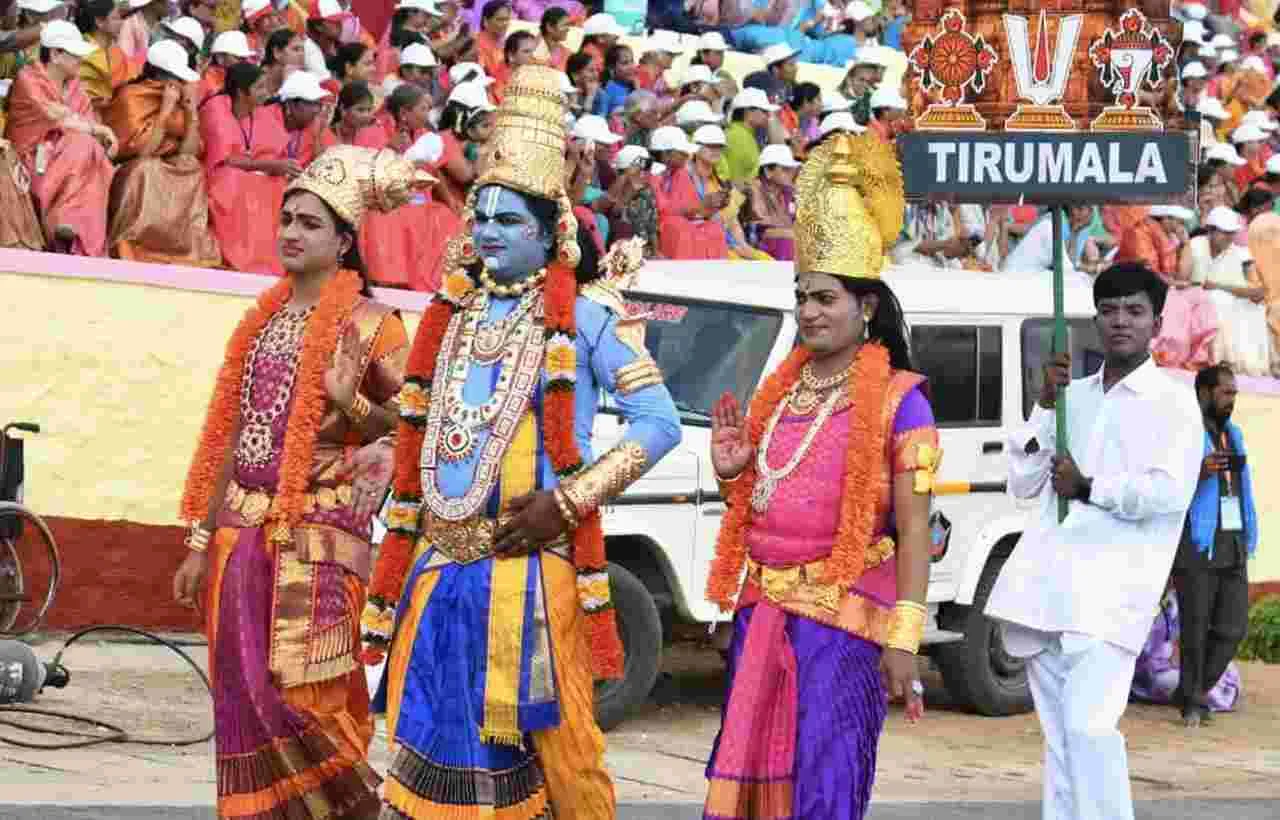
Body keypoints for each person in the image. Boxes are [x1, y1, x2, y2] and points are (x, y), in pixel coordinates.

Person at [362, 64, 682, 818]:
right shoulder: (451, 316)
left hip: (531, 574)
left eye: (508, 222)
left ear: (551, 231)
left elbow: (660, 423)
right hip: (439, 570)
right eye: (480, 217)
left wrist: (568, 502)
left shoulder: (589, 319)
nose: (487, 233)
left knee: (554, 758)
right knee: (428, 752)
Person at [172, 144, 430, 820]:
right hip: (240, 536)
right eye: (287, 218)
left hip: (318, 539)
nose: (291, 232)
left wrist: (352, 404)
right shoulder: (261, 323)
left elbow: (415, 424)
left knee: (309, 700)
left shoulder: (373, 325)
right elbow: (232, 433)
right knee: (242, 695)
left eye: (310, 223)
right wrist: (200, 540)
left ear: (344, 242)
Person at [702, 131, 935, 820]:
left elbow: (914, 529)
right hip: (763, 613)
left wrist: (904, 637)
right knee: (753, 778)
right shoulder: (780, 391)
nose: (809, 311)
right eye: (802, 296)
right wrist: (731, 477)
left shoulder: (900, 399)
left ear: (867, 307)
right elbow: (768, 500)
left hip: (844, 621)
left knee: (824, 779)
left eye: (826, 298)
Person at [985, 262, 1203, 820]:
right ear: (1095, 320)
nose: (1120, 321)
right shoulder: (1071, 396)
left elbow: (1168, 493)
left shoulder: (1174, 401)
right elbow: (1023, 482)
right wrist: (1043, 403)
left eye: (1134, 311)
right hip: (1048, 592)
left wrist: (1089, 487)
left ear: (1156, 323)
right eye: (1109, 310)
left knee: (1090, 730)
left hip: (1112, 596)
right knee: (1062, 740)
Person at [1173, 363, 1257, 728]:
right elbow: (1166, 487)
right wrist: (1200, 471)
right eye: (1226, 393)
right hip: (1197, 542)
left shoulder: (1233, 435)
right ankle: (1193, 701)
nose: (1231, 400)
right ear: (1205, 393)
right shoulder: (1185, 434)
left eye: (1234, 393)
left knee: (1233, 627)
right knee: (1195, 626)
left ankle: (1192, 689)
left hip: (1233, 540)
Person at [104, 40, 222, 266]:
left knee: (191, 167)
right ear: (163, 78)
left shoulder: (181, 100)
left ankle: (181, 248)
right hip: (132, 169)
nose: (183, 84)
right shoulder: (132, 96)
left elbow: (190, 152)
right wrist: (165, 111)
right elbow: (144, 151)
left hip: (166, 165)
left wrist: (190, 111)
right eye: (178, 79)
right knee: (147, 169)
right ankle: (136, 243)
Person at [5, 20, 118, 256]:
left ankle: (78, 236)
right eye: (75, 54)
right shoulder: (28, 78)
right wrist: (98, 130)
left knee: (92, 151)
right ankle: (65, 220)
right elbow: (57, 117)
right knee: (82, 144)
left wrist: (102, 139)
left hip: (69, 158)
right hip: (32, 158)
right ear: (55, 54)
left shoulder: (76, 87)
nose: (81, 59)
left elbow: (84, 123)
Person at [200, 63, 304, 274]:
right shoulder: (216, 109)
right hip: (219, 174)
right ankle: (238, 257)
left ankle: (265, 260)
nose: (266, 93)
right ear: (241, 92)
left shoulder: (260, 112)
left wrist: (277, 167)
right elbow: (225, 160)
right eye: (259, 88)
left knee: (276, 184)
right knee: (233, 180)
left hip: (251, 174)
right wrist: (267, 165)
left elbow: (273, 151)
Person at [1182, 206, 1271, 375]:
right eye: (1225, 232)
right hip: (1197, 299)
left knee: (1256, 308)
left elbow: (1251, 291)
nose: (1229, 237)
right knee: (1218, 300)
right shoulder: (1195, 245)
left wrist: (1218, 286)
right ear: (1211, 230)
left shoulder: (1237, 253)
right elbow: (1185, 280)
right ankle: (1215, 360)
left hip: (1228, 298)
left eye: (1232, 233)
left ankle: (1244, 365)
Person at [77, 0, 136, 113]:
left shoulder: (115, 51)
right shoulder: (83, 52)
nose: (121, 23)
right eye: (115, 18)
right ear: (99, 22)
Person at [746, 142, 799, 260]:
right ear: (768, 171)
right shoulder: (754, 190)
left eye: (792, 169)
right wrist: (793, 233)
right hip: (758, 248)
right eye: (785, 169)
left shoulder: (788, 192)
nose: (791, 173)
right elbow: (762, 230)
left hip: (785, 244)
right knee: (787, 241)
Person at [721, 87, 775, 184]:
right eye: (764, 111)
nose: (768, 115)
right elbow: (735, 180)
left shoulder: (742, 134)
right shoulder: (737, 136)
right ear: (748, 111)